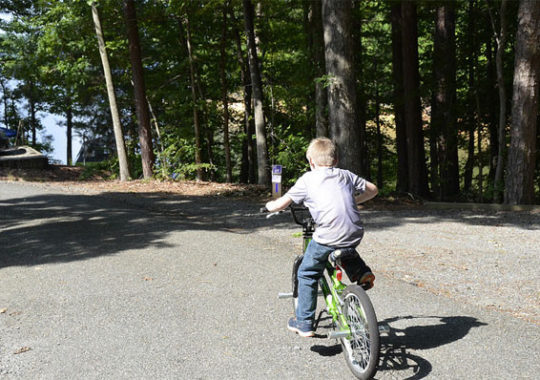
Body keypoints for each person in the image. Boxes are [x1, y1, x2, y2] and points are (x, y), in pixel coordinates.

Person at [265, 137, 378, 337]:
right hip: (354, 233)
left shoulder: (307, 179)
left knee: (307, 273)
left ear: (311, 161)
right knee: (344, 249)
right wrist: (355, 199)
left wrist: (269, 206)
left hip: (327, 235)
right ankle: (361, 273)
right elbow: (373, 190)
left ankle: (305, 322)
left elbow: (281, 203)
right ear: (336, 160)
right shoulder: (345, 175)